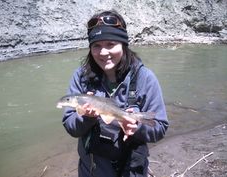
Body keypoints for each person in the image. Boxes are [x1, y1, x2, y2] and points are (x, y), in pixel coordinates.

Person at [62, 10, 169, 177]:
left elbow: (159, 127)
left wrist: (136, 128)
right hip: (90, 170)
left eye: (110, 44)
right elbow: (71, 127)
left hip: (131, 171)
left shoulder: (145, 78)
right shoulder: (81, 77)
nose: (103, 52)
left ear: (123, 44)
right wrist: (86, 117)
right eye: (96, 46)